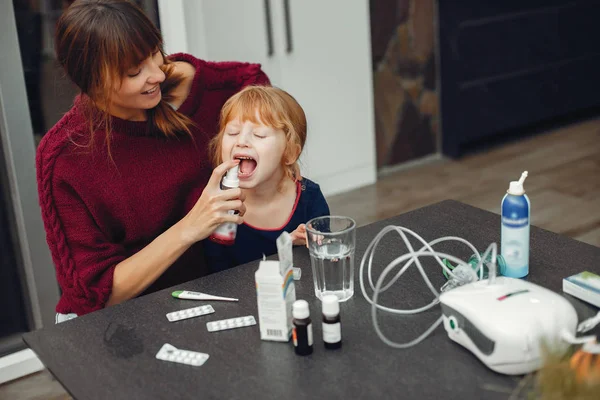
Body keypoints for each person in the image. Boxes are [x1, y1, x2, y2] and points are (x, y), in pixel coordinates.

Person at [36, 0, 269, 320]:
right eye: (135, 71)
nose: (157, 74)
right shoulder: (64, 158)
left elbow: (254, 84)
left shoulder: (188, 82)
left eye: (155, 52)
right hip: (119, 321)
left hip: (207, 291)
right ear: (92, 81)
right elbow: (93, 295)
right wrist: (191, 227)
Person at [204, 86, 330, 272]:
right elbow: (216, 275)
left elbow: (325, 259)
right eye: (232, 132)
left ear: (289, 152)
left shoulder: (309, 198)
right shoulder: (218, 203)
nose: (241, 141)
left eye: (259, 135)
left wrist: (298, 245)